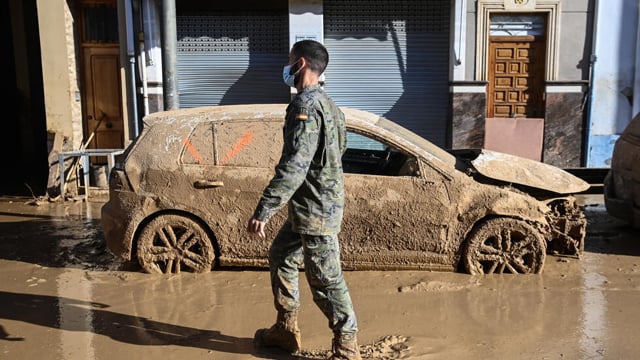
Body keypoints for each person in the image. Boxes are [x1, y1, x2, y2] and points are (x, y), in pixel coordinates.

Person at [246, 39, 362, 360]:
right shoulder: (330, 105)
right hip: (310, 206)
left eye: (289, 62)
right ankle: (286, 329)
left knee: (325, 280)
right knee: (281, 255)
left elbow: (295, 165)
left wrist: (264, 210)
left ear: (300, 65)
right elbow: (341, 148)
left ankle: (347, 345)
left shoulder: (305, 107)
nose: (286, 68)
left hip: (315, 210)